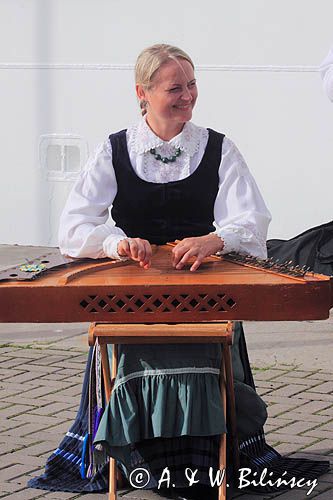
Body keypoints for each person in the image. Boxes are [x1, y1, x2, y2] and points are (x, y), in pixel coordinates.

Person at [28, 44, 328, 500]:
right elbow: (73, 225)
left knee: (205, 349)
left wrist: (214, 240)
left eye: (192, 84)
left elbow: (252, 220)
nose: (187, 95)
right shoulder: (114, 149)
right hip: (134, 286)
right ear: (142, 93)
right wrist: (116, 242)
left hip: (205, 285)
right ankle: (136, 454)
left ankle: (210, 456)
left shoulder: (218, 146)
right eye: (175, 87)